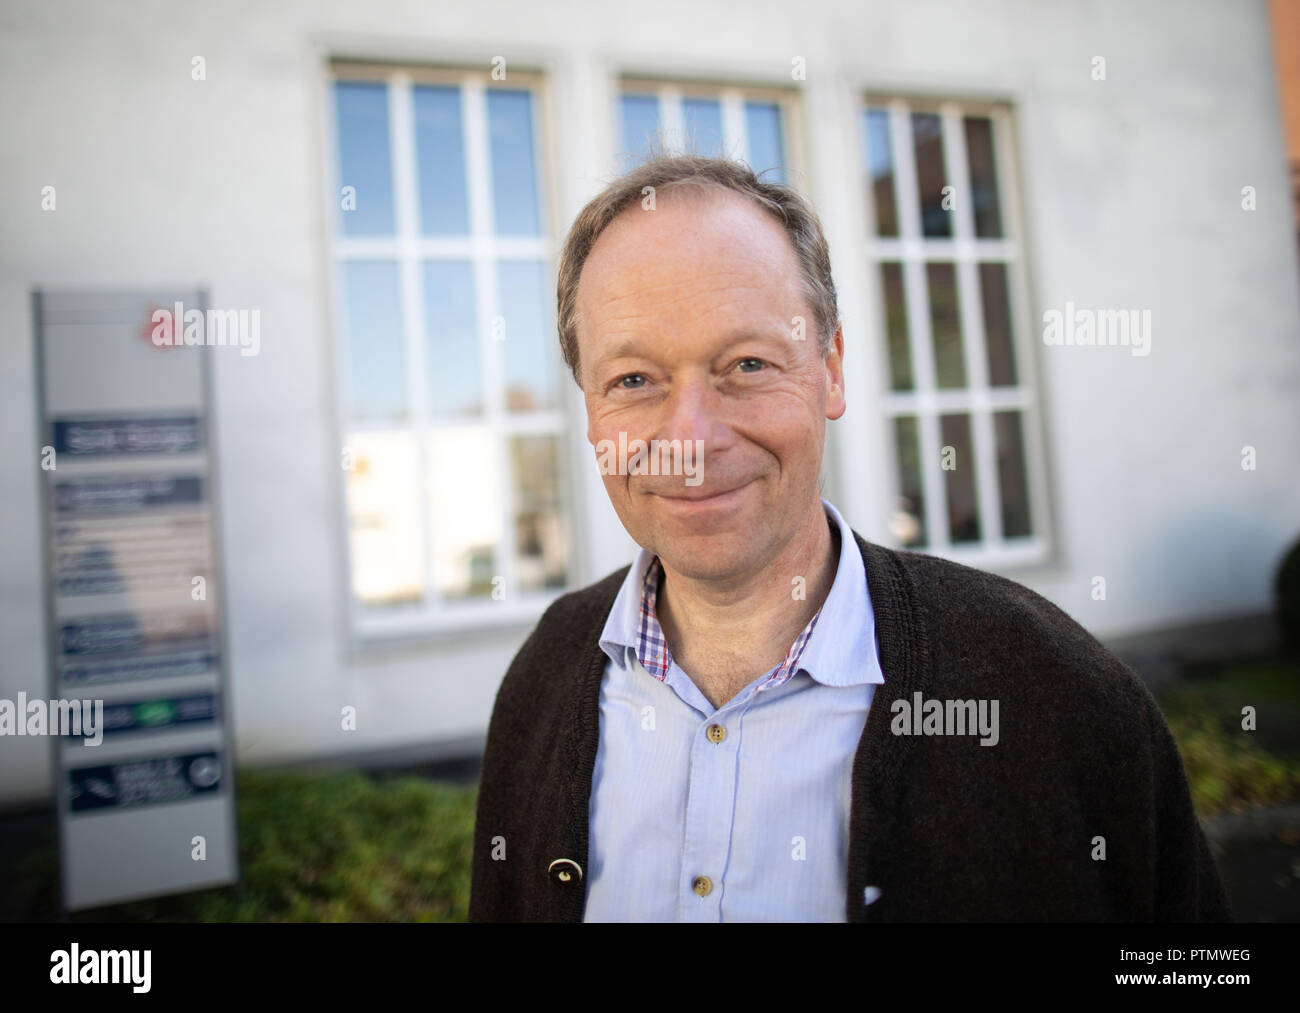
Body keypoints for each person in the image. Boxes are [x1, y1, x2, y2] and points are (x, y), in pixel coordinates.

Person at [468, 154, 1231, 922]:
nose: (689, 438)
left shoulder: (1056, 692)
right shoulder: (544, 676)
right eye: (634, 380)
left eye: (748, 363)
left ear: (830, 371)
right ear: (591, 411)